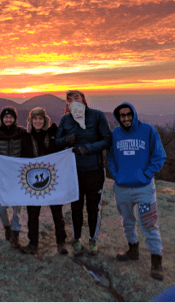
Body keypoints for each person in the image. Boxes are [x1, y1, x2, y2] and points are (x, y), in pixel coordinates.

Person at [107, 102, 166, 281]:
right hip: (122, 188)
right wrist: (116, 175)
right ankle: (133, 250)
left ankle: (156, 262)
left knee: (149, 224)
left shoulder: (147, 130)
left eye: (128, 114)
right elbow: (110, 156)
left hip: (144, 189)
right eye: (122, 115)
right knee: (127, 221)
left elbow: (159, 155)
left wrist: (146, 174)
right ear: (118, 117)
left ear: (134, 114)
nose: (126, 118)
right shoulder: (115, 134)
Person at [56, 90, 112, 256]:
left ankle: (93, 240)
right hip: (73, 171)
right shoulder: (65, 119)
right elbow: (57, 142)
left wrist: (87, 148)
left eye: (76, 97)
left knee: (93, 208)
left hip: (94, 170)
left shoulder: (97, 116)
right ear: (67, 104)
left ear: (84, 100)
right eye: (70, 99)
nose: (73, 100)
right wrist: (68, 140)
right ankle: (77, 239)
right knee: (76, 208)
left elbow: (107, 140)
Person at [19, 107, 68, 255]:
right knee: (33, 215)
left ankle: (61, 242)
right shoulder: (26, 137)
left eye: (41, 119)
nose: (38, 121)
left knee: (57, 214)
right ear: (31, 121)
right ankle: (33, 243)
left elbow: (62, 148)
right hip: (32, 181)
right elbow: (21, 158)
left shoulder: (53, 134)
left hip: (52, 180)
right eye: (35, 119)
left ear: (45, 120)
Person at [0, 106, 26, 249]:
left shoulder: (22, 132)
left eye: (11, 117)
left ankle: (15, 234)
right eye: (5, 117)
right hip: (1, 177)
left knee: (17, 209)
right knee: (0, 208)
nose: (8, 119)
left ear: (15, 119)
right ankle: (7, 226)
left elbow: (31, 146)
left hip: (18, 176)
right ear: (2, 119)